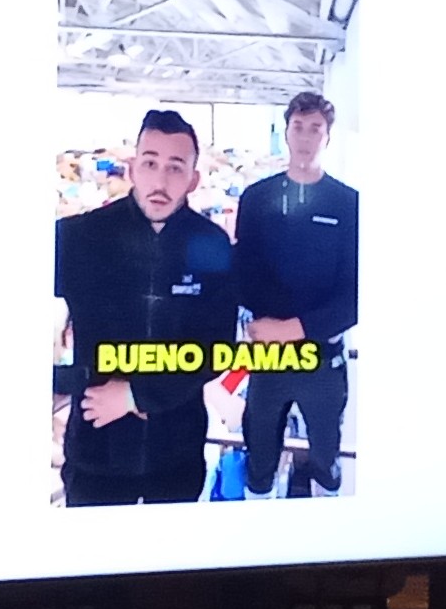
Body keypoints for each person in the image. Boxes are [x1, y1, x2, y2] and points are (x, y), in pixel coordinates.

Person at [54, 109, 236, 506]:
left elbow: (217, 349)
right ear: (133, 168)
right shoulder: (80, 238)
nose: (160, 180)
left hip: (177, 454)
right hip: (95, 451)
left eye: (175, 167)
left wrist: (137, 396)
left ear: (194, 179)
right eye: (150, 163)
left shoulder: (212, 246)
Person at [234, 91, 358, 497]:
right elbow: (245, 272)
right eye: (298, 127)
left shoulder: (349, 204)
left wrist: (298, 328)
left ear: (328, 137)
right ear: (286, 132)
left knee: (325, 456)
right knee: (259, 456)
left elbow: (355, 293)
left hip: (323, 357)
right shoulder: (256, 200)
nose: (305, 137)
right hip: (268, 356)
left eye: (315, 129)